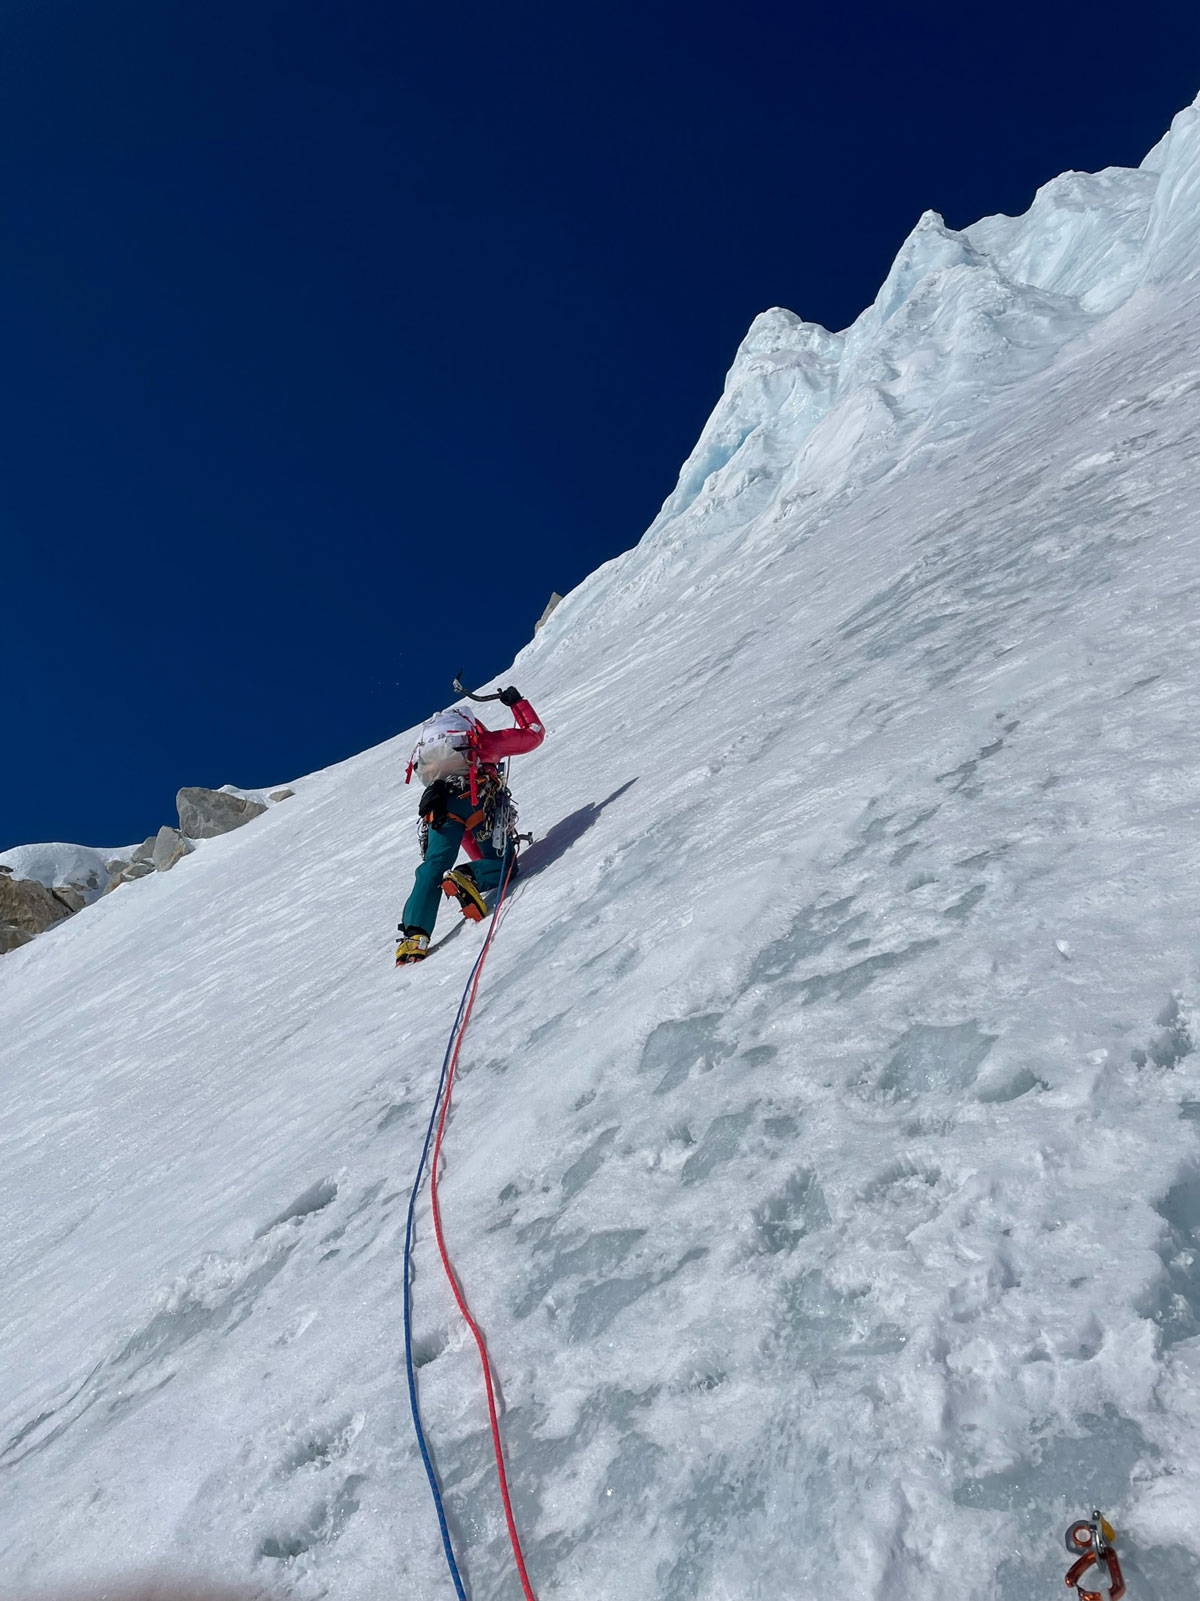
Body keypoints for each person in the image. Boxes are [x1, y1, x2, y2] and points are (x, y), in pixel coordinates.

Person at [395, 687, 544, 964]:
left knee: (433, 866)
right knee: (505, 867)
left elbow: (465, 839)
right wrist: (517, 703)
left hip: (439, 806)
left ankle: (414, 936)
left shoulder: (432, 760)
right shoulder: (487, 742)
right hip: (478, 801)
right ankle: (468, 876)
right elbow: (534, 734)